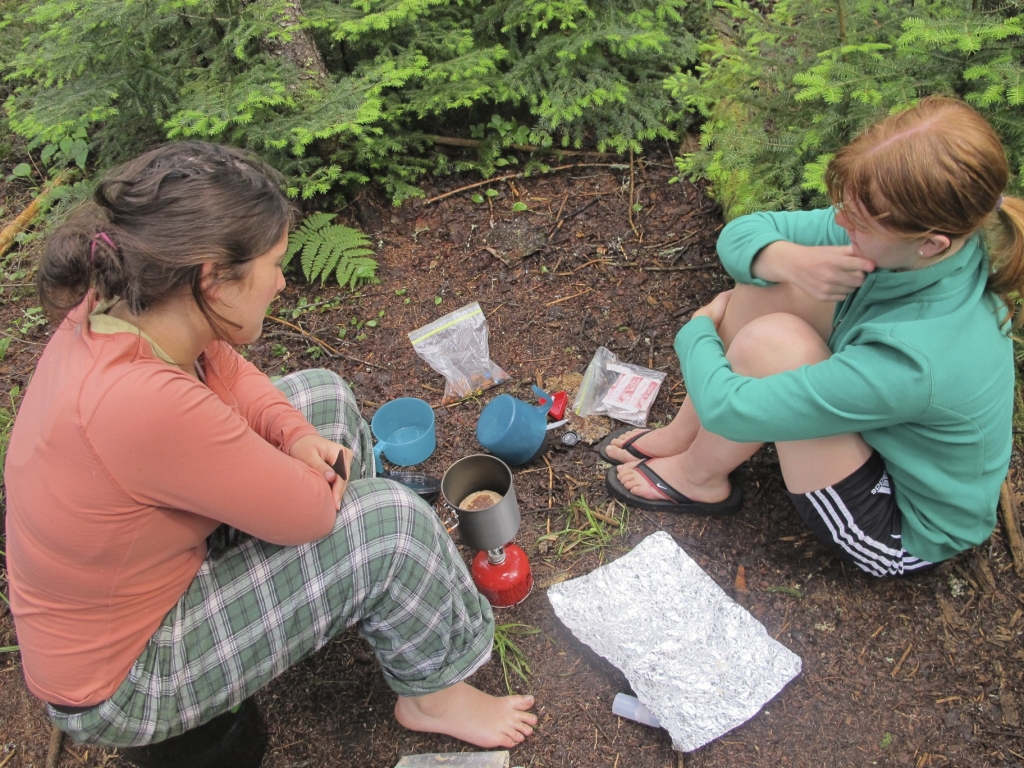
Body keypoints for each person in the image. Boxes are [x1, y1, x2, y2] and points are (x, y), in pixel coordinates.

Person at [4, 142, 536, 749]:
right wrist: (324, 489)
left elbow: (226, 367)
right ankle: (432, 696)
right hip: (126, 675)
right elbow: (308, 514)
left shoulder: (133, 302)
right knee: (391, 526)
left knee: (322, 400)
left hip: (143, 573)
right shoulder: (140, 403)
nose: (283, 281)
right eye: (276, 264)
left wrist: (297, 437)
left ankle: (367, 593)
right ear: (212, 278)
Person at [601, 96, 1020, 577]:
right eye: (845, 207)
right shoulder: (926, 242)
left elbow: (729, 409)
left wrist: (696, 331)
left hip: (900, 526)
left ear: (930, 242)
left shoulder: (920, 358)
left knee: (770, 342)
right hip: (886, 425)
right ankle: (682, 436)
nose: (840, 222)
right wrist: (790, 260)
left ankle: (698, 476)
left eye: (859, 222)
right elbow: (744, 235)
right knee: (768, 283)